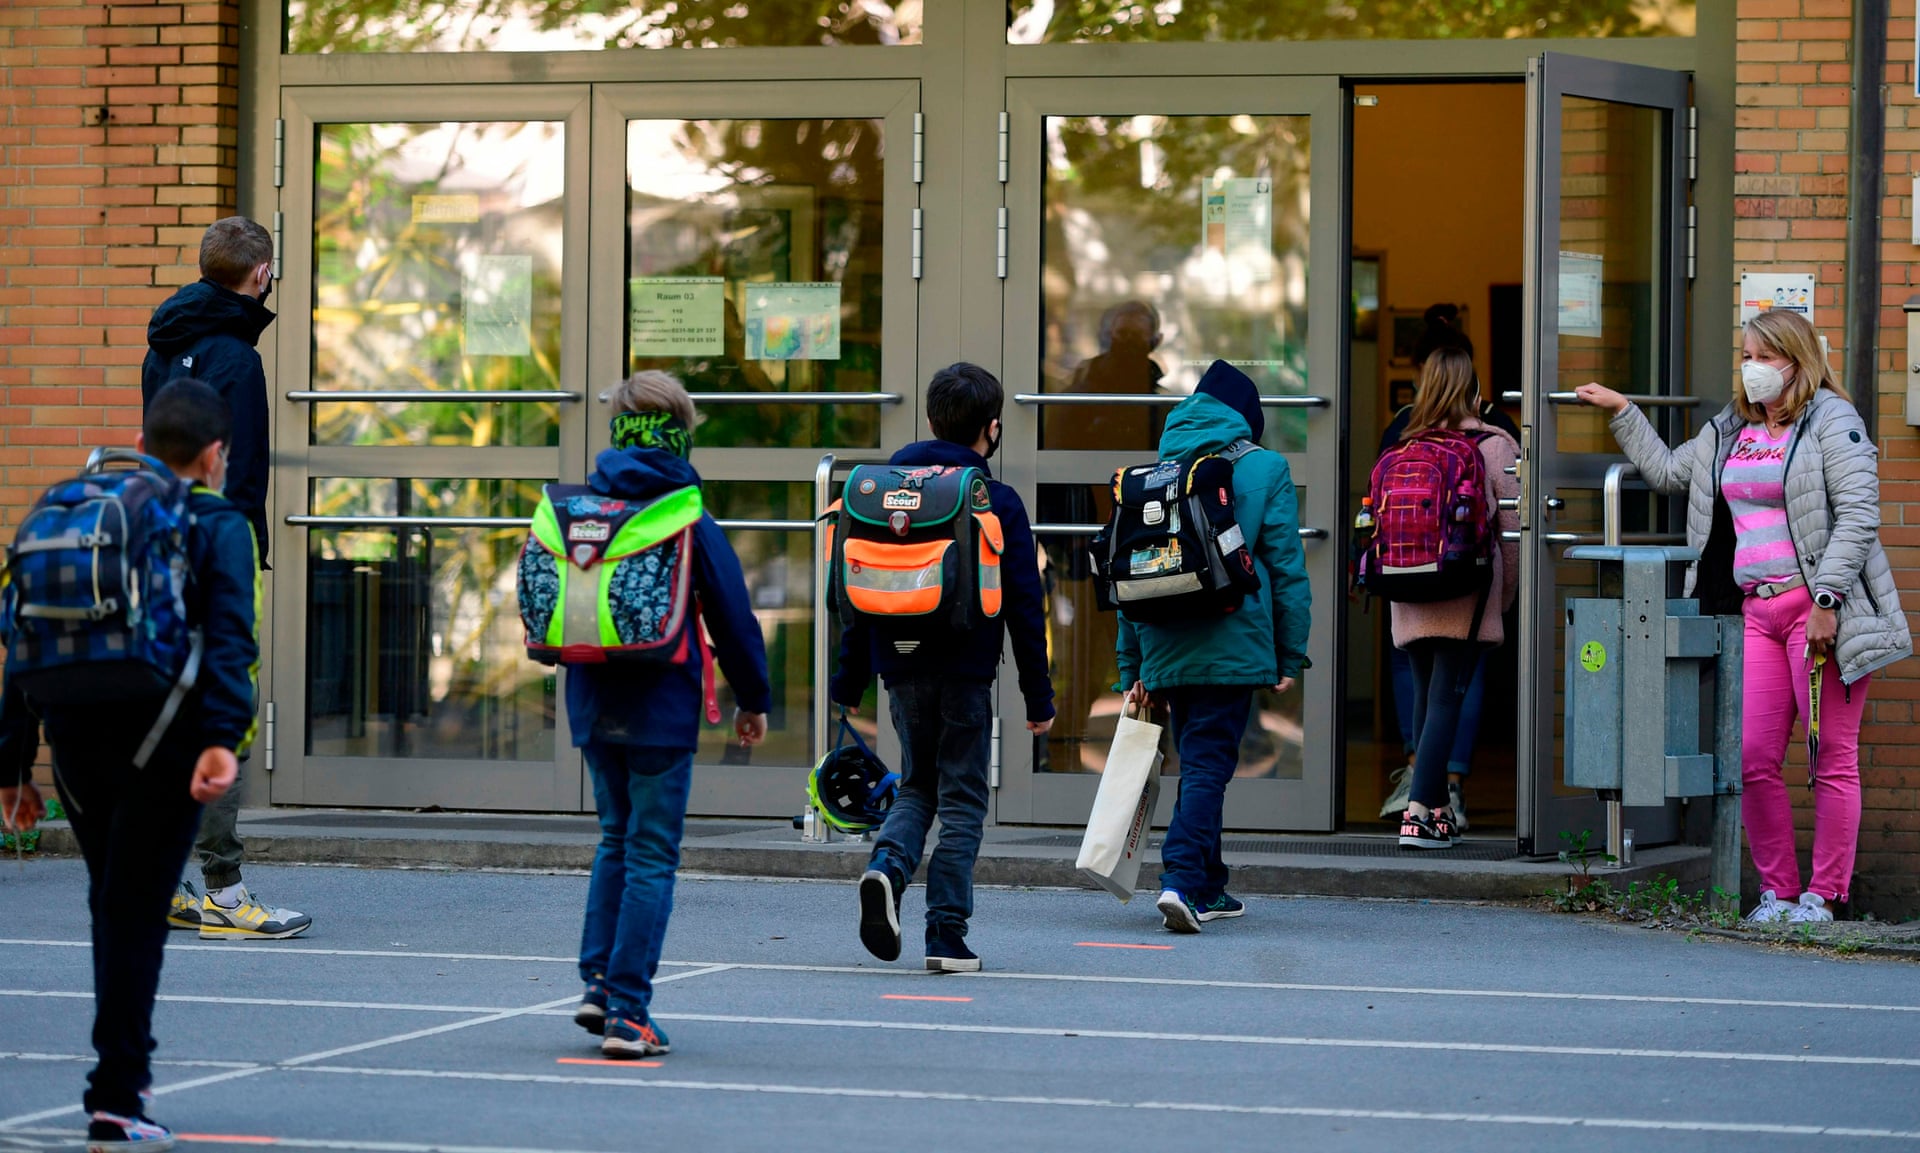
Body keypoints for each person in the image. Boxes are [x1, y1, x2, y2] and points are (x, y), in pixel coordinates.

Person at [1575, 309, 1910, 923]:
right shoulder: (1732, 426)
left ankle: (1826, 896)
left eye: (1763, 356)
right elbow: (1672, 474)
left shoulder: (1833, 421)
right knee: (1752, 757)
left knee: (1830, 755)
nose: (1751, 368)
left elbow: (1861, 516)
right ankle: (1778, 894)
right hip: (1756, 612)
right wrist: (1625, 413)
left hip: (1818, 610)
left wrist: (1828, 600)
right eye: (1746, 355)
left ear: (1796, 361)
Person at [0, 379, 261, 1151]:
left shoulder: (77, 510)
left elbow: (18, 637)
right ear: (216, 455)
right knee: (137, 910)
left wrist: (12, 764)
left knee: (110, 900)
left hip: (74, 735)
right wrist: (224, 739)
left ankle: (121, 1080)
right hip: (167, 740)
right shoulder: (219, 523)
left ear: (145, 447)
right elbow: (230, 639)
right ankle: (117, 1094)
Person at [566, 370, 772, 1057]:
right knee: (651, 850)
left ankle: (598, 983)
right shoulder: (686, 514)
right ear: (681, 434)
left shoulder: (586, 510)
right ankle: (629, 1010)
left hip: (593, 701)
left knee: (615, 838)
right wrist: (754, 698)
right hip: (661, 708)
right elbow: (735, 619)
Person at [835, 362, 1055, 973]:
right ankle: (946, 937)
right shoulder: (994, 500)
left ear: (931, 419)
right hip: (963, 671)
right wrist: (1038, 699)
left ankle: (886, 868)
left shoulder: (880, 494)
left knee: (916, 785)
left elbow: (851, 593)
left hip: (897, 670)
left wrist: (846, 682)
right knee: (961, 799)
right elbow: (1024, 606)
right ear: (991, 429)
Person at [143, 216, 308, 941]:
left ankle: (165, 874)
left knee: (169, 704)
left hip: (158, 533)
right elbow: (238, 473)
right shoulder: (237, 357)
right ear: (262, 274)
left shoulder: (166, 342)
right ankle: (224, 888)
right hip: (217, 543)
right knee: (223, 706)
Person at [1117, 360, 1311, 931]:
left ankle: (1210, 883)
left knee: (1201, 756)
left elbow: (1130, 576)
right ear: (1247, 421)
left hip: (1165, 642)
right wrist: (1288, 651)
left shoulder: (1158, 471)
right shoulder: (1266, 468)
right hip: (1232, 639)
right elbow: (1286, 568)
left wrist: (1134, 662)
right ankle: (1179, 880)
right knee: (1208, 764)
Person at [1376, 305, 1517, 827]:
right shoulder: (1496, 441)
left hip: (1407, 589)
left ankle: (1432, 804)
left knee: (1423, 698)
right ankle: (1422, 812)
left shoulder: (1403, 438)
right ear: (1474, 384)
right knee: (1446, 697)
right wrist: (1499, 602)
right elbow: (1514, 537)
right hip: (1467, 590)